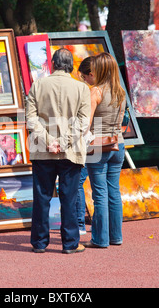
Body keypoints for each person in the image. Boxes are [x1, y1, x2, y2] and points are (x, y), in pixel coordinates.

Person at [26, 48, 91, 254]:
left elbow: (31, 119)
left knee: (41, 196)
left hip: (42, 151)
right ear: (71, 65)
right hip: (70, 151)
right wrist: (62, 143)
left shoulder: (38, 85)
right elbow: (83, 123)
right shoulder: (82, 88)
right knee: (69, 197)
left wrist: (48, 141)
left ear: (53, 63)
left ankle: (39, 243)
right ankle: (70, 243)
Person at [84, 52, 126, 248]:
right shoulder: (120, 91)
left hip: (99, 147)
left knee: (99, 193)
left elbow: (86, 122)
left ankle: (100, 239)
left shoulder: (96, 91)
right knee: (114, 192)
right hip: (118, 144)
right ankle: (116, 236)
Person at [76, 56, 96, 235]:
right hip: (109, 143)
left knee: (78, 182)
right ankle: (104, 228)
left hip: (90, 142)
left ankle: (80, 223)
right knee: (103, 187)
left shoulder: (93, 92)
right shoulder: (114, 89)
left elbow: (86, 123)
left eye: (84, 77)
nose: (84, 81)